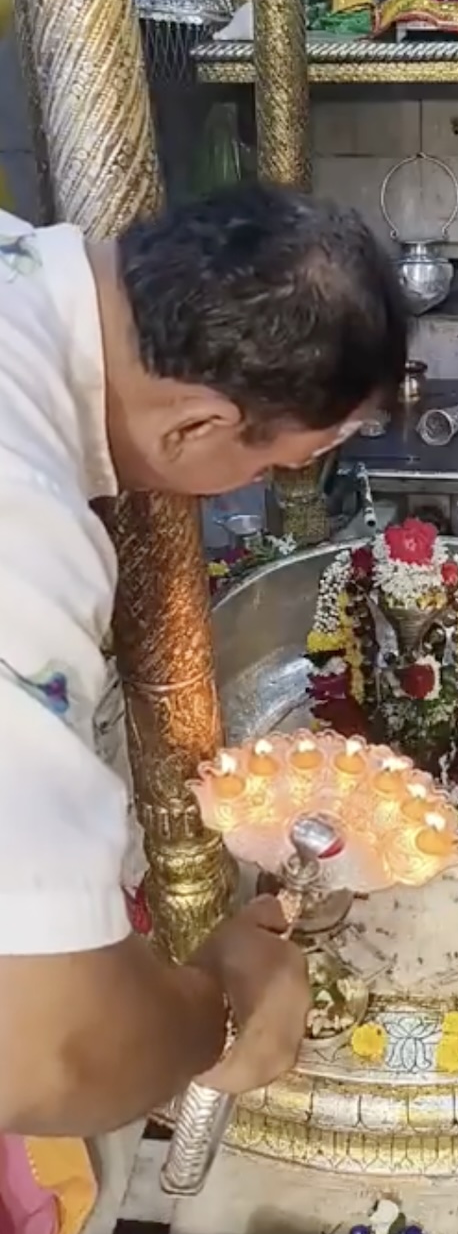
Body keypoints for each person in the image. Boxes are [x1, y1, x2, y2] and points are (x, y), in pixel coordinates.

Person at [0, 182, 407, 1137]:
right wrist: (220, 998)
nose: (262, 486)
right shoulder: (24, 532)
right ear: (192, 428)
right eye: (268, 467)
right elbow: (45, 1055)